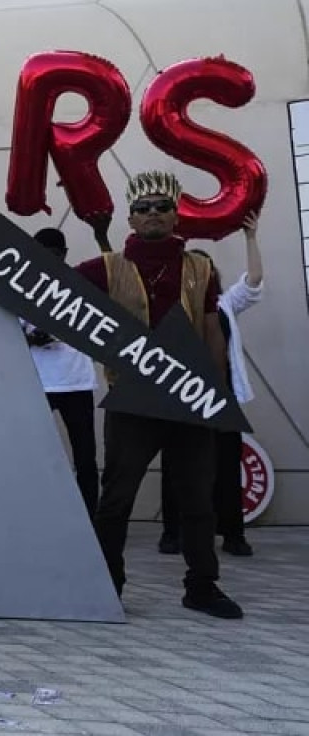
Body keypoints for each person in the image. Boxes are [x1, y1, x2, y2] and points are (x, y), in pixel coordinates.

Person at [75, 170, 242, 619]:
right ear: (130, 218)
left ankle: (202, 586)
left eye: (161, 207)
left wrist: (217, 394)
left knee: (196, 498)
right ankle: (107, 584)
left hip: (189, 399)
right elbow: (54, 298)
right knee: (117, 497)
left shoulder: (200, 267)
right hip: (132, 400)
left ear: (175, 215)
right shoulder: (104, 267)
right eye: (143, 208)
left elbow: (211, 331)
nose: (152, 214)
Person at [159, 210, 265, 557]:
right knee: (175, 466)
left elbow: (253, 280)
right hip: (181, 395)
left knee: (224, 465)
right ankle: (172, 533)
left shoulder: (225, 303)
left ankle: (233, 535)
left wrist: (250, 238)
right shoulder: (171, 303)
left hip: (222, 398)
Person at [23, 228, 99, 519]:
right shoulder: (21, 284)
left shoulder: (79, 284)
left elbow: (90, 324)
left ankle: (89, 516)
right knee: (33, 453)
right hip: (38, 380)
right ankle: (39, 513)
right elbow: (12, 327)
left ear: (64, 255)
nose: (47, 259)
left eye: (54, 254)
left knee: (85, 456)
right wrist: (32, 338)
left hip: (76, 380)